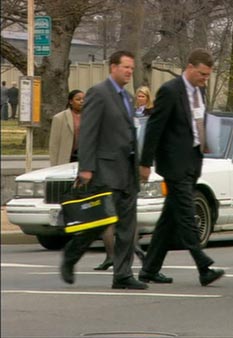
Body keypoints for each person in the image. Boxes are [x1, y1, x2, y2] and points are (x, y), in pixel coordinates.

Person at [60, 50, 148, 290]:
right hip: (105, 170)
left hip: (127, 171)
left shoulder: (128, 98)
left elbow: (131, 134)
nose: (129, 71)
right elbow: (88, 132)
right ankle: (71, 254)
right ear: (113, 67)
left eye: (132, 68)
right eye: (125, 67)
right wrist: (86, 167)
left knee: (128, 227)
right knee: (100, 222)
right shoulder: (99, 93)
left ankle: (123, 274)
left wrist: (140, 165)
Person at [138, 48, 224, 287]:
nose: (204, 79)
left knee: (170, 219)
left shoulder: (200, 92)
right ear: (189, 67)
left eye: (207, 75)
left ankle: (149, 269)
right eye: (202, 74)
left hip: (192, 162)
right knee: (187, 214)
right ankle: (203, 265)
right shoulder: (170, 91)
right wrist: (145, 163)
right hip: (174, 164)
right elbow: (154, 128)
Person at [94, 86, 152, 271]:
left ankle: (123, 255)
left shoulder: (138, 119)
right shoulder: (123, 119)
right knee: (114, 218)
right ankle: (118, 255)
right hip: (114, 173)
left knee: (117, 217)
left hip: (122, 174)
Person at [49, 90, 85, 166]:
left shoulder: (91, 116)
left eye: (84, 99)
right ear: (71, 102)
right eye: (78, 99)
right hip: (68, 158)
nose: (82, 101)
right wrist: (54, 165)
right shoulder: (59, 118)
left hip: (85, 158)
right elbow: (54, 144)